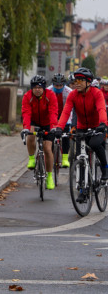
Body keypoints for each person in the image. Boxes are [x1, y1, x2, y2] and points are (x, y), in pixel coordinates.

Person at [52, 67, 108, 201]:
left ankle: (105, 169)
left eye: (80, 80)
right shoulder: (73, 95)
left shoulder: (96, 93)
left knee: (94, 144)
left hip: (97, 127)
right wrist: (59, 127)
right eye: (75, 80)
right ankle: (83, 190)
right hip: (82, 128)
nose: (76, 83)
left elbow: (101, 108)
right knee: (80, 157)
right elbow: (66, 112)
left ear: (88, 82)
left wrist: (103, 124)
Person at [20, 75, 58, 189]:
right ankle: (32, 158)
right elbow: (26, 112)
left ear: (44, 88)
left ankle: (49, 176)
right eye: (35, 87)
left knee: (47, 149)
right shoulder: (27, 96)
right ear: (32, 88)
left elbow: (53, 112)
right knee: (30, 135)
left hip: (47, 123)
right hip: (34, 121)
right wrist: (26, 127)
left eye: (40, 87)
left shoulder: (50, 95)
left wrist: (53, 127)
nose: (37, 89)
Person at [50, 73, 73, 167]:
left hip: (65, 114)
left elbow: (71, 109)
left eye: (60, 85)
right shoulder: (48, 90)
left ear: (64, 84)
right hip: (52, 114)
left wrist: (69, 123)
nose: (58, 87)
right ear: (53, 84)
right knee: (50, 135)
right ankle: (50, 155)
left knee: (65, 135)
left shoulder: (69, 92)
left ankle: (64, 158)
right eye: (56, 85)